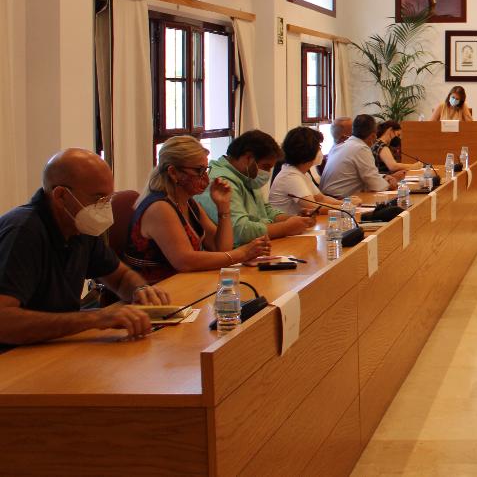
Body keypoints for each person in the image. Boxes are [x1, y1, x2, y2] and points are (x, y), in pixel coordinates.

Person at [0, 149, 174, 344]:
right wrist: (95, 318)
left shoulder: (78, 226)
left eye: (108, 199)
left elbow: (120, 277)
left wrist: (139, 290)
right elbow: (4, 323)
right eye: (99, 199)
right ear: (61, 196)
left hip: (55, 345)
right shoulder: (23, 232)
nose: (105, 208)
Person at [125, 137, 269, 284]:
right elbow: (185, 261)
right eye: (198, 170)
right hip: (157, 293)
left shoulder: (189, 202)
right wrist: (242, 253)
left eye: (206, 169)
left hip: (183, 285)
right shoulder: (159, 207)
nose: (206, 178)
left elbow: (220, 248)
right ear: (173, 172)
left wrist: (223, 206)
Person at [195, 130, 316, 245]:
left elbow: (265, 210)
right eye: (266, 166)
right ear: (248, 158)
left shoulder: (246, 176)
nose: (268, 172)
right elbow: (239, 231)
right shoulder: (221, 182)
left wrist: (295, 220)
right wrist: (285, 228)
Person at [320, 114, 401, 197]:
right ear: (373, 135)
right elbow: (374, 184)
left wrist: (384, 177)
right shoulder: (361, 148)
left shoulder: (340, 146)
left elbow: (364, 174)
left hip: (328, 198)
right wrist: (390, 184)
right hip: (341, 200)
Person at [271, 127, 342, 215]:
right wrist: (344, 208)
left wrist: (346, 203)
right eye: (319, 147)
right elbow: (313, 206)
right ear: (308, 151)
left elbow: (320, 198)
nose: (320, 151)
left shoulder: (302, 173)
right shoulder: (290, 176)